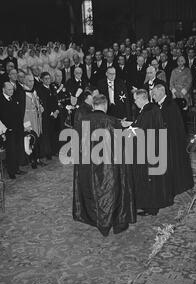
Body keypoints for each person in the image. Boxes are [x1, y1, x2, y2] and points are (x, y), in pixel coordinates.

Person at [72, 94, 136, 236]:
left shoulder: (81, 121)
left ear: (93, 105)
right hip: (108, 166)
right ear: (105, 105)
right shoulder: (112, 121)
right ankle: (110, 218)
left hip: (88, 164)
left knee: (90, 188)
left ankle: (92, 216)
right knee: (109, 191)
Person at [131, 89, 172, 216]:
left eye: (135, 99)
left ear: (142, 98)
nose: (134, 102)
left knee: (149, 179)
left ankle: (150, 207)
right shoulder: (151, 109)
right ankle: (151, 205)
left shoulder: (148, 111)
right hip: (154, 149)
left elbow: (141, 131)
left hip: (148, 151)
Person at [152, 84, 194, 197]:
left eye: (154, 94)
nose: (153, 96)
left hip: (172, 140)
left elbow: (168, 124)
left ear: (161, 93)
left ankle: (175, 185)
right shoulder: (162, 104)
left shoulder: (169, 105)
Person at [0, 82, 26, 179]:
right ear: (3, 90)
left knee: (17, 149)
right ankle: (11, 171)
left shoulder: (14, 98)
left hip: (17, 128)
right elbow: (1, 116)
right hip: (8, 130)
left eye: (12, 89)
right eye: (9, 89)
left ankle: (17, 168)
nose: (11, 91)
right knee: (10, 151)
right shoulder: (0, 100)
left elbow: (19, 114)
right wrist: (6, 129)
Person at [170, 55, 193, 130]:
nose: (180, 62)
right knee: (175, 114)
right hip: (175, 95)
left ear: (185, 62)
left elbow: (189, 82)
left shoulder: (187, 71)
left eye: (182, 61)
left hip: (184, 95)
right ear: (177, 62)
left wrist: (182, 92)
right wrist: (175, 92)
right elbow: (171, 83)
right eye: (179, 61)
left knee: (184, 114)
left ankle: (184, 131)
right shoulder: (174, 71)